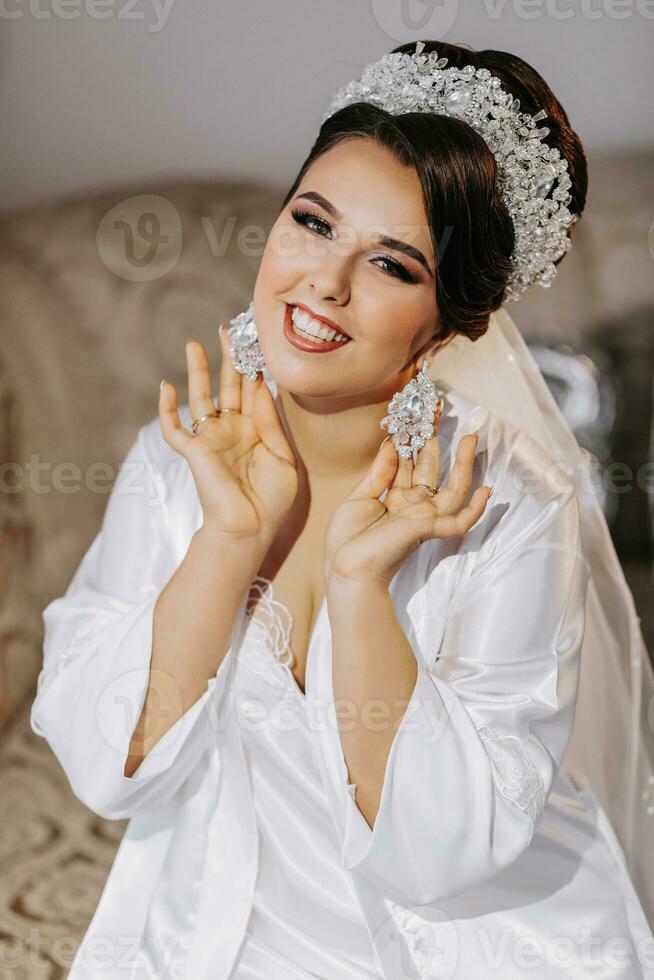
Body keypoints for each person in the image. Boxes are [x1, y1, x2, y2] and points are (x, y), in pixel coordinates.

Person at [30, 40, 654, 980]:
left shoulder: (510, 503)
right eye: (313, 223)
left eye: (393, 265)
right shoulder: (180, 454)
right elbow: (108, 771)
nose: (324, 281)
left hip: (469, 942)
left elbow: (439, 854)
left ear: (448, 324)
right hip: (218, 915)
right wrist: (229, 538)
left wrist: (362, 586)